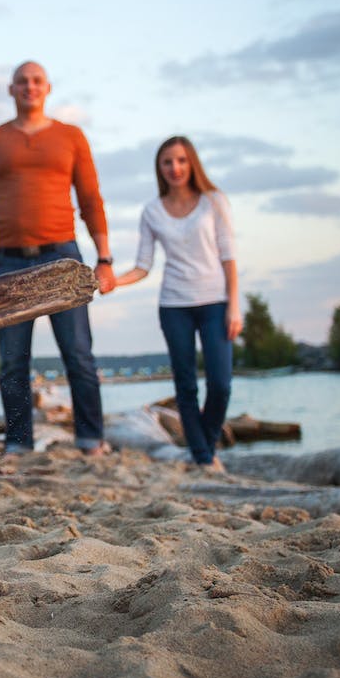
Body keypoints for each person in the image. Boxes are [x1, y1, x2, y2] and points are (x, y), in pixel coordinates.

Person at [0, 60, 116, 456]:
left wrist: (105, 258)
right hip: (8, 261)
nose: (29, 87)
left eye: (36, 81)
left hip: (62, 258)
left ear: (47, 88)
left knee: (78, 353)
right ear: (11, 90)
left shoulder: (71, 136)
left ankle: (91, 439)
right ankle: (18, 442)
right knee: (12, 361)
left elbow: (91, 200)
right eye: (22, 81)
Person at [114, 136, 241, 469]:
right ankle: (203, 458)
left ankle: (208, 443)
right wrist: (115, 281)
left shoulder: (214, 201)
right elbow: (143, 266)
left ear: (192, 163)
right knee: (185, 385)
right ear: (160, 168)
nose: (175, 168)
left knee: (221, 384)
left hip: (215, 302)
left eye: (181, 160)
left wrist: (234, 305)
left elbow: (229, 256)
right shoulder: (152, 211)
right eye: (167, 162)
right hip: (174, 306)